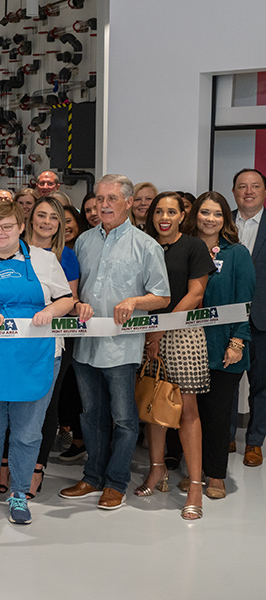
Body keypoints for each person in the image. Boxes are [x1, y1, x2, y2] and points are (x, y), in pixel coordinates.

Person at [0, 201, 75, 524]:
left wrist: (50, 311)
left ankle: (19, 492)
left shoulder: (44, 260)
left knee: (27, 432)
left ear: (21, 226)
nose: (1, 233)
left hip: (37, 358)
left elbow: (66, 298)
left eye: (7, 226)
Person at [60, 174, 170, 510]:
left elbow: (162, 296)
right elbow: (74, 289)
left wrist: (135, 302)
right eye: (99, 198)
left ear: (127, 202)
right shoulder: (84, 242)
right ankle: (92, 476)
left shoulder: (145, 245)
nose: (103, 205)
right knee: (91, 414)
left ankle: (116, 482)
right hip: (86, 346)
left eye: (111, 199)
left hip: (122, 347)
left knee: (123, 418)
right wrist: (77, 303)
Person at [134, 192, 214, 520]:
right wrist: (151, 334)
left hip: (183, 335)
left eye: (171, 211)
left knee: (186, 410)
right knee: (154, 405)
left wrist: (161, 331)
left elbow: (196, 293)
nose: (164, 217)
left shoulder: (194, 247)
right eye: (158, 212)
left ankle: (195, 485)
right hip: (147, 334)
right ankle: (157, 470)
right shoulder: (145, 245)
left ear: (183, 215)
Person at [185, 191, 253, 499]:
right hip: (188, 345)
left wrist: (237, 341)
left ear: (225, 219)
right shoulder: (185, 249)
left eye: (217, 214)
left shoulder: (236, 253)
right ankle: (194, 472)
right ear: (195, 214)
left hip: (225, 346)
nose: (210, 219)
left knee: (217, 413)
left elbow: (245, 301)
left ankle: (215, 475)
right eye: (205, 212)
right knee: (189, 413)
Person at [19, 193, 82, 497]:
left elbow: (70, 302)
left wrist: (80, 307)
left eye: (54, 218)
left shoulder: (66, 256)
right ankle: (7, 464)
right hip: (13, 342)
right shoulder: (11, 248)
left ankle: (36, 467)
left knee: (45, 406)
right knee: (11, 401)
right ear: (30, 217)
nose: (46, 222)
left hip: (52, 343)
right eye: (42, 215)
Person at [232, 168, 266, 467]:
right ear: (234, 192)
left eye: (255, 186)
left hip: (262, 320)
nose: (248, 191)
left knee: (261, 384)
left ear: (264, 192)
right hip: (224, 319)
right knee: (224, 382)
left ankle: (254, 442)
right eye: (242, 186)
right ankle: (226, 436)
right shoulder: (219, 222)